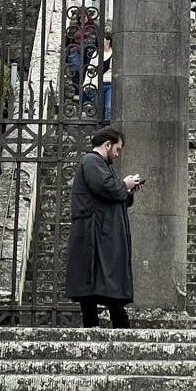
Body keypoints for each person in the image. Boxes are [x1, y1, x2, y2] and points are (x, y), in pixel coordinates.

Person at [66, 126, 143, 327]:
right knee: (98, 284)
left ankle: (105, 325)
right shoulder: (91, 161)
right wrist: (124, 185)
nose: (117, 154)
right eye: (117, 149)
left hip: (101, 233)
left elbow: (111, 195)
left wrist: (128, 190)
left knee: (104, 284)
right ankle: (110, 326)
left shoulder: (99, 164)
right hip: (95, 234)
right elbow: (105, 187)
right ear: (107, 144)